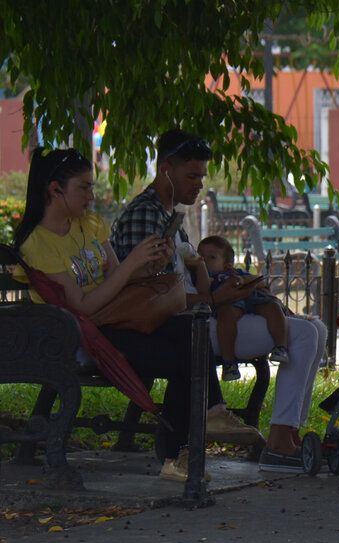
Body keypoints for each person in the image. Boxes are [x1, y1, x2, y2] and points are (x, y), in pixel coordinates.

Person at [111, 129, 328, 474]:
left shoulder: (169, 217)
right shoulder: (145, 216)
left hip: (199, 317)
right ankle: (279, 444)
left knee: (315, 327)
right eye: (191, 175)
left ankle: (288, 436)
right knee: (303, 334)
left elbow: (181, 281)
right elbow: (155, 297)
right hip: (174, 328)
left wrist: (238, 289)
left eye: (202, 176)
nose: (199, 184)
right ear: (165, 168)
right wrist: (214, 298)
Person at [13, 147, 201, 481]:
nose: (91, 196)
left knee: (190, 332)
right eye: (83, 188)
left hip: (115, 318)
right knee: (183, 359)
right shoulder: (37, 244)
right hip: (82, 333)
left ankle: (192, 437)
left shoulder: (91, 224)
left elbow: (118, 276)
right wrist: (130, 265)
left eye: (91, 187)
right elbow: (82, 306)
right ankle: (180, 451)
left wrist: (148, 264)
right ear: (55, 190)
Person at [194, 235, 290, 381]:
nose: (203, 260)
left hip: (250, 296)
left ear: (227, 265)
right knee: (226, 316)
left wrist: (243, 280)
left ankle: (280, 346)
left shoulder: (235, 273)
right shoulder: (203, 275)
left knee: (273, 307)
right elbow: (204, 291)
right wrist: (199, 268)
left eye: (211, 257)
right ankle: (229, 362)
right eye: (200, 256)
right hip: (228, 301)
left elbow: (260, 281)